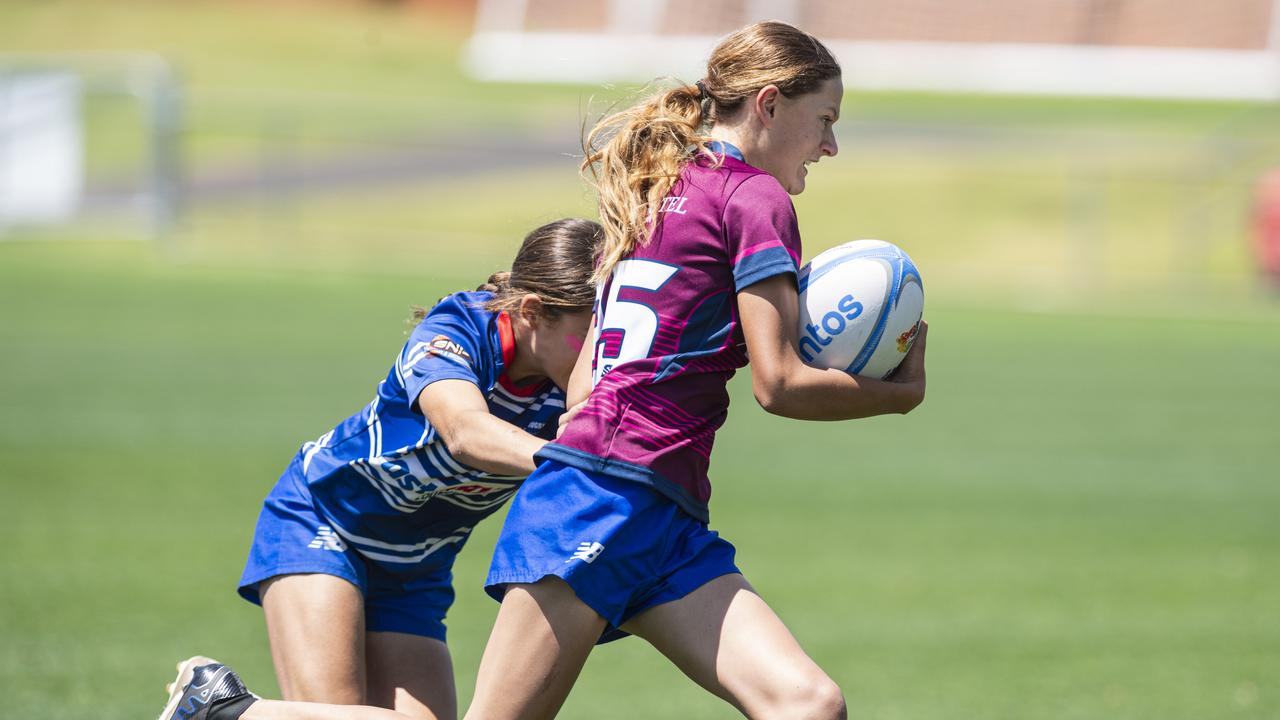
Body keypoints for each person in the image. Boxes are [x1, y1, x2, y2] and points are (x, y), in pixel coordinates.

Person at [463, 21, 927, 720]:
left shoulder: (659, 184)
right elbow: (778, 383)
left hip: (657, 505)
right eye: (824, 120)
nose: (831, 145)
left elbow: (588, 379)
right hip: (609, 497)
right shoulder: (755, 197)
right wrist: (899, 396)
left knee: (807, 703)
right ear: (769, 104)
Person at [158, 218, 603, 720]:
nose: (601, 353)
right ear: (532, 312)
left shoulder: (573, 382)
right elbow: (466, 431)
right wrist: (578, 459)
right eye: (589, 334)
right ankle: (216, 708)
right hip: (324, 523)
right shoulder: (458, 328)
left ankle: (228, 710)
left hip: (416, 567)